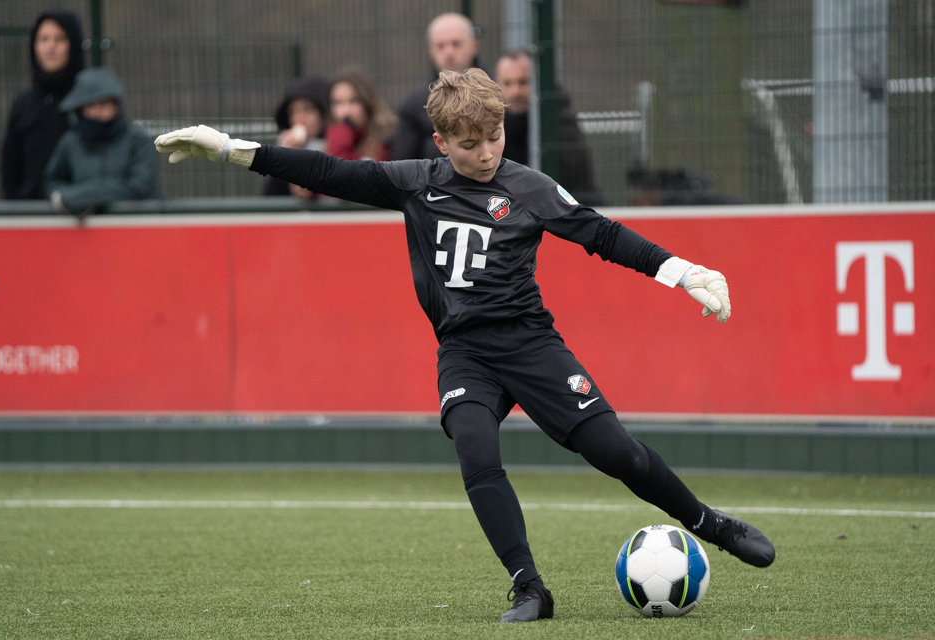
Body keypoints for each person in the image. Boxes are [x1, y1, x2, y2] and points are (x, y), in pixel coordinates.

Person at [155, 68, 776, 624]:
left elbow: (601, 234)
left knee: (618, 454)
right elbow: (328, 172)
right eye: (470, 143)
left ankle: (710, 523)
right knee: (475, 448)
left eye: (494, 138)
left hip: (531, 346)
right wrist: (231, 149)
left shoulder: (530, 187)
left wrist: (682, 272)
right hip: (465, 353)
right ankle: (529, 587)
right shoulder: (414, 183)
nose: (485, 153)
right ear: (442, 142)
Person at [44, 67, 160, 217]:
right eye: (90, 105)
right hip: (82, 229)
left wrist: (82, 197)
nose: (96, 111)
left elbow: (140, 187)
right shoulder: (70, 142)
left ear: (116, 105)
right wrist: (68, 198)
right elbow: (52, 183)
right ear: (80, 108)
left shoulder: (139, 140)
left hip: (134, 226)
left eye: (104, 104)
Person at [495, 48, 604, 206]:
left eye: (523, 82)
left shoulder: (559, 117)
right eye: (507, 83)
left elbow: (572, 170)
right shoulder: (491, 123)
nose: (515, 91)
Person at [0, 10, 85, 200]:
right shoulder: (23, 103)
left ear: (73, 45)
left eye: (60, 39)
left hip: (77, 209)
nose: (50, 46)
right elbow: (10, 166)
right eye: (43, 39)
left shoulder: (88, 100)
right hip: (30, 211)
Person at [392, 12, 482, 161]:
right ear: (431, 51)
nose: (449, 52)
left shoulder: (498, 92)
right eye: (441, 46)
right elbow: (403, 162)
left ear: (474, 46)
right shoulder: (415, 104)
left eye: (456, 44)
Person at [263, 76, 330, 199]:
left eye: (307, 109)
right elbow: (270, 200)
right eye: (293, 112)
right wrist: (281, 160)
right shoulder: (288, 147)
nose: (299, 118)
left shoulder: (337, 145)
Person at [325, 66, 396, 162]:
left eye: (354, 101)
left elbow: (346, 169)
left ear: (367, 103)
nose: (346, 111)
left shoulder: (386, 140)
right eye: (338, 103)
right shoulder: (330, 138)